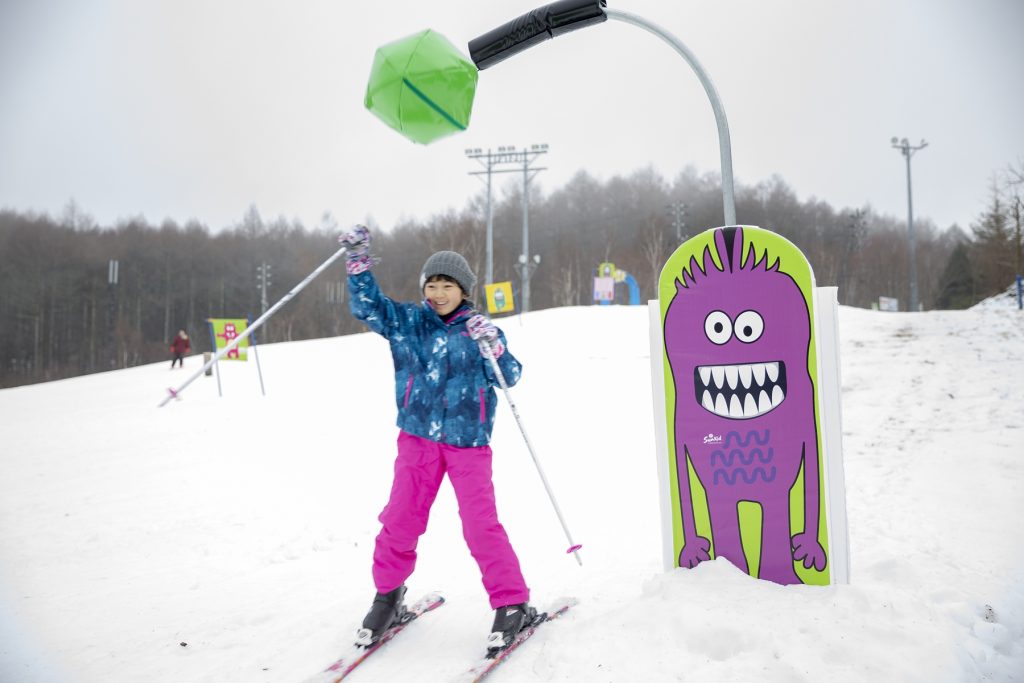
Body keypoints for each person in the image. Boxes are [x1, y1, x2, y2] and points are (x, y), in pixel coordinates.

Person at [339, 224, 535, 654]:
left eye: (448, 285)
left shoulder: (480, 330)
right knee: (399, 520)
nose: (439, 292)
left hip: (468, 444)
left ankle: (512, 603)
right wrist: (357, 263)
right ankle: (388, 597)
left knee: (480, 526)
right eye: (432, 284)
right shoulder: (409, 322)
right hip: (417, 441)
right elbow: (369, 307)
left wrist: (494, 347)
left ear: (464, 290)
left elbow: (512, 377)